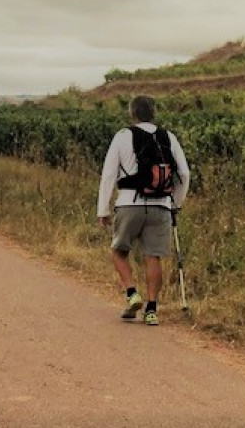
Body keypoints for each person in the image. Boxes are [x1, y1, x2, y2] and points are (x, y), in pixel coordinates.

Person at [97, 95, 190, 326]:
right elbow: (185, 173)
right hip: (161, 205)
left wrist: (103, 209)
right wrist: (175, 203)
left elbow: (109, 174)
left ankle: (132, 294)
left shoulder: (122, 136)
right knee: (153, 257)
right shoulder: (168, 136)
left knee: (119, 251)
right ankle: (151, 310)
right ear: (154, 112)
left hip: (129, 202)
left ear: (132, 114)